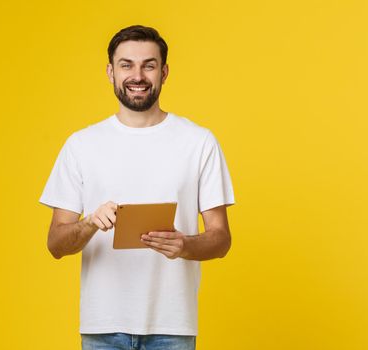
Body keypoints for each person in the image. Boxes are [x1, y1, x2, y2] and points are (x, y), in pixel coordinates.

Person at [39, 24, 235, 350]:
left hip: (171, 327)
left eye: (149, 65)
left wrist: (184, 245)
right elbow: (56, 244)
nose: (138, 75)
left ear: (164, 72)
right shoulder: (81, 145)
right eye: (126, 65)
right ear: (110, 72)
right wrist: (89, 224)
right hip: (103, 327)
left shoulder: (199, 142)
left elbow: (221, 238)